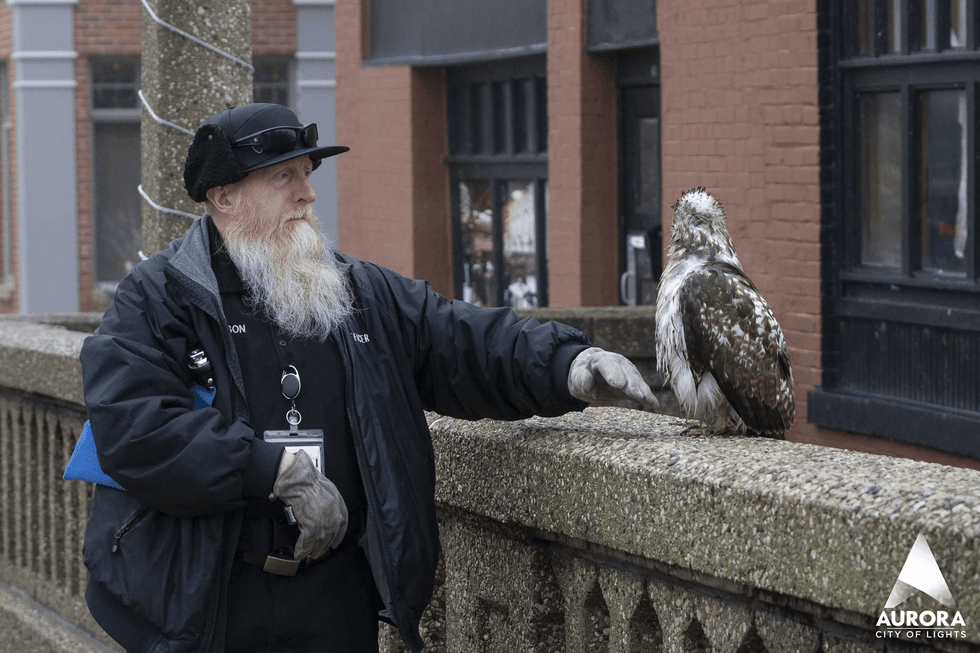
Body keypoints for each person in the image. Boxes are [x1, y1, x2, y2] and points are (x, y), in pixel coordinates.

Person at [80, 103, 656, 653]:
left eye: (306, 175)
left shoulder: (356, 291)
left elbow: (460, 338)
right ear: (224, 196)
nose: (307, 194)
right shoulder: (157, 299)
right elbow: (135, 428)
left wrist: (568, 366)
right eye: (284, 178)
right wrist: (272, 470)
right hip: (213, 597)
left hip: (333, 596)